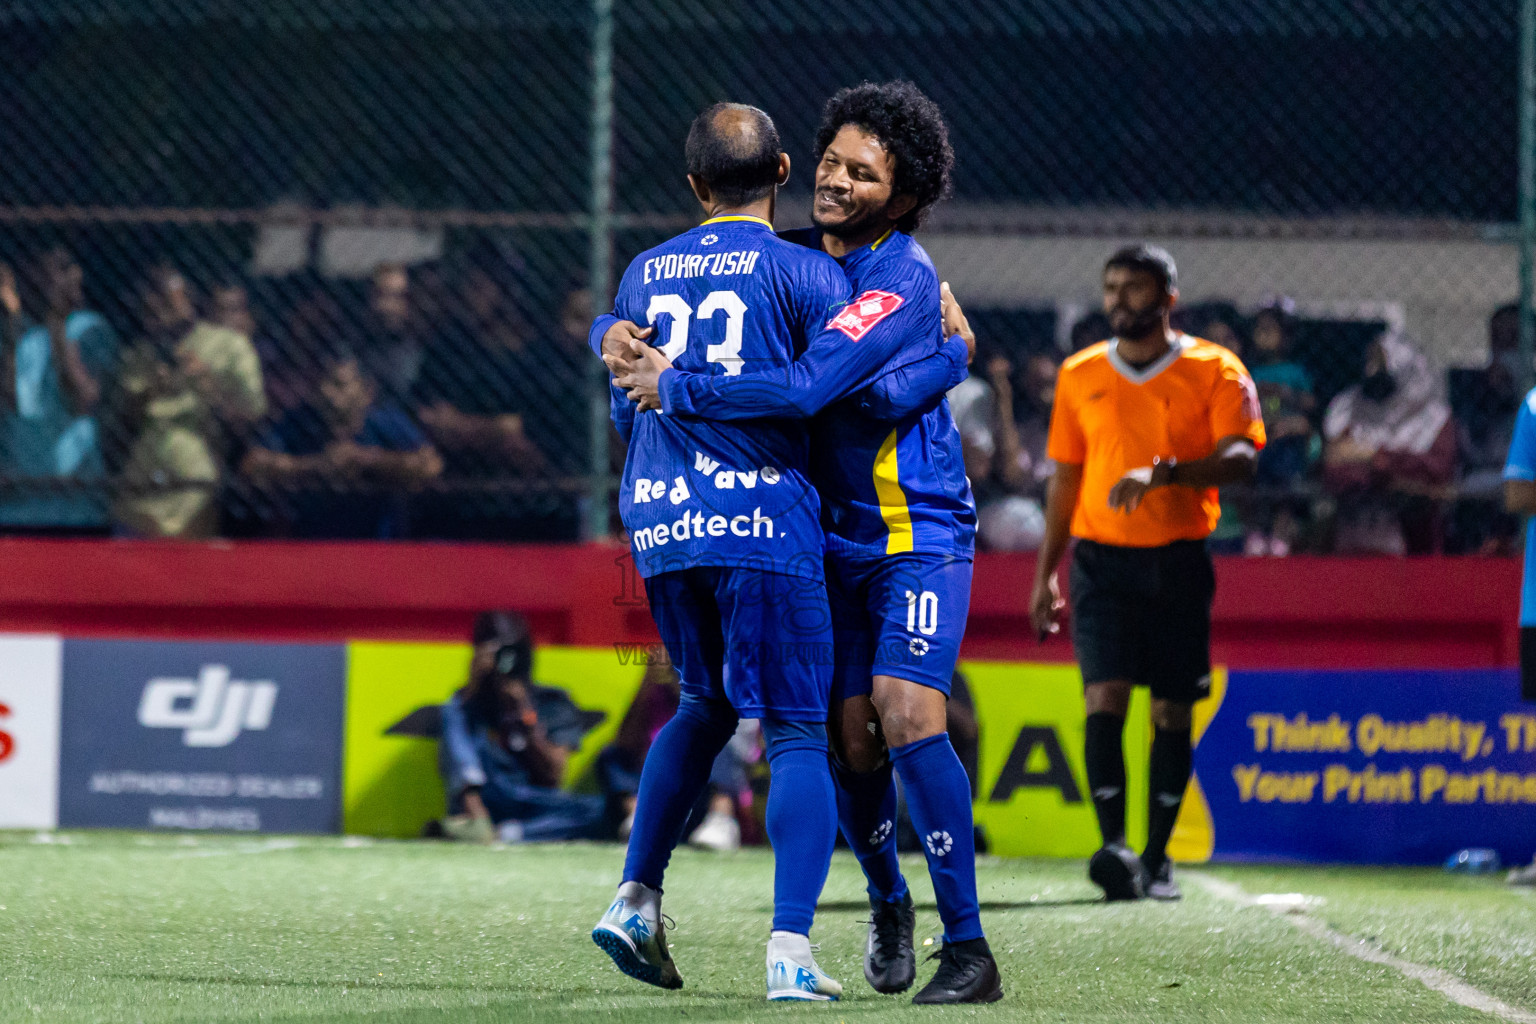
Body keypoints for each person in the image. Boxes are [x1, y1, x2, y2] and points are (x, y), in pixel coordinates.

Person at [604, 82, 1000, 1004]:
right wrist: (608, 333)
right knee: (846, 740)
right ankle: (889, 902)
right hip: (821, 534)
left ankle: (971, 950)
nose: (837, 180)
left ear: (901, 198)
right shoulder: (792, 259)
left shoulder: (900, 274)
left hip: (915, 530)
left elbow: (834, 392)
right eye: (832, 161)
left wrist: (680, 384)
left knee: (903, 712)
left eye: (864, 174)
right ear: (795, 166)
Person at [586, 102, 850, 1002]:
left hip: (659, 520)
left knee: (700, 703)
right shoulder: (809, 273)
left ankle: (635, 898)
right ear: (783, 172)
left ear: (695, 186)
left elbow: (627, 399)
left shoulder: (642, 272)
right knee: (797, 729)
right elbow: (831, 396)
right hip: (764, 522)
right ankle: (789, 949)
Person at [1030, 245, 1265, 902]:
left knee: (1170, 711)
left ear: (1168, 298)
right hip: (1099, 563)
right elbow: (1065, 478)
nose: (1118, 301)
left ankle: (1158, 857)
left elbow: (1244, 459)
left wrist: (1170, 473)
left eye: (1133, 289)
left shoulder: (1215, 369)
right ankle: (1115, 849)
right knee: (1102, 697)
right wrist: (1046, 573)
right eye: (1110, 288)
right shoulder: (1078, 374)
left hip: (1177, 563)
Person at [113, 267, 267, 538]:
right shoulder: (141, 352)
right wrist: (151, 390)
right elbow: (123, 418)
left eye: (168, 298)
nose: (161, 308)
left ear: (189, 299)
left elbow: (252, 411)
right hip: (142, 480)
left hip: (194, 478)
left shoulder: (228, 345)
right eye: (153, 302)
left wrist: (207, 383)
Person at [437, 611, 607, 843]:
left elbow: (553, 777)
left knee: (600, 810)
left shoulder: (552, 702)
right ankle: (477, 821)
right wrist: (474, 690)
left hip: (534, 801)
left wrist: (525, 716)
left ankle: (508, 835)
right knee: (453, 708)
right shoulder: (465, 706)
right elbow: (462, 750)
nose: (504, 662)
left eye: (510, 652)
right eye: (495, 653)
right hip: (487, 794)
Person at [240, 346, 442, 538]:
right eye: (322, 383)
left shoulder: (383, 419)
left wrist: (365, 460)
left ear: (367, 392)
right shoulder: (299, 421)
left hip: (378, 550)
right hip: (308, 546)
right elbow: (252, 464)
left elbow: (430, 465)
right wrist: (316, 466)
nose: (327, 393)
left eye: (339, 385)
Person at [0, 248, 118, 532]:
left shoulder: (89, 328)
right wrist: (12, 317)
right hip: (23, 497)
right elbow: (12, 398)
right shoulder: (25, 335)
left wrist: (58, 321)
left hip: (76, 499)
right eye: (44, 271)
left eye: (59, 271)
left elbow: (83, 397)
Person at [596, 654, 757, 852]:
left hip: (701, 793)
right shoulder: (656, 691)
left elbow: (742, 750)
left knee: (716, 744)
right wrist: (646, 683)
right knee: (612, 755)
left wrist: (684, 687)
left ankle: (721, 821)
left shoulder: (731, 680)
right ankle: (640, 821)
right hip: (657, 789)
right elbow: (626, 741)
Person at [1322, 330, 1456, 555]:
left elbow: (1437, 471)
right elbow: (1334, 467)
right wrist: (1390, 471)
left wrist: (1374, 457)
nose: (1370, 371)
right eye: (1369, 361)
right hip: (1354, 528)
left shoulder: (1434, 418)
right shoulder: (1348, 408)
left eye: (1380, 363)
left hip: (1414, 535)